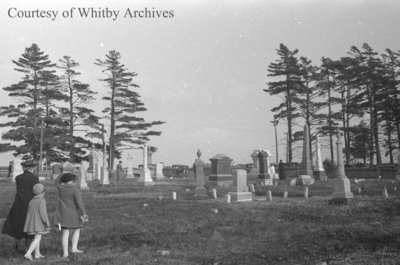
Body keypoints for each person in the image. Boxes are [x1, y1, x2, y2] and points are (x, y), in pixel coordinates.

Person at [2, 160, 40, 252]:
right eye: (34, 168)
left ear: (24, 168)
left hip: (18, 202)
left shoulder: (18, 178)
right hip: (30, 203)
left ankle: (17, 245)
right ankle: (27, 248)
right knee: (29, 227)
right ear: (31, 168)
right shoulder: (34, 178)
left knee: (17, 224)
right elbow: (36, 190)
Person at [53, 172, 88, 258]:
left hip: (63, 214)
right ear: (72, 181)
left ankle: (65, 253)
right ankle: (74, 248)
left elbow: (56, 181)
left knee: (65, 233)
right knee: (77, 230)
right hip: (74, 214)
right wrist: (84, 213)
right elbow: (79, 202)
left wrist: (62, 173)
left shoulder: (61, 188)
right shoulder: (75, 190)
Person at [23, 183, 51, 260]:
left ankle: (37, 254)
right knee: (37, 238)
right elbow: (43, 213)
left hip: (32, 223)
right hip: (38, 223)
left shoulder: (31, 201)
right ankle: (28, 253)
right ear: (43, 192)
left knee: (36, 237)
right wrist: (46, 222)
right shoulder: (42, 201)